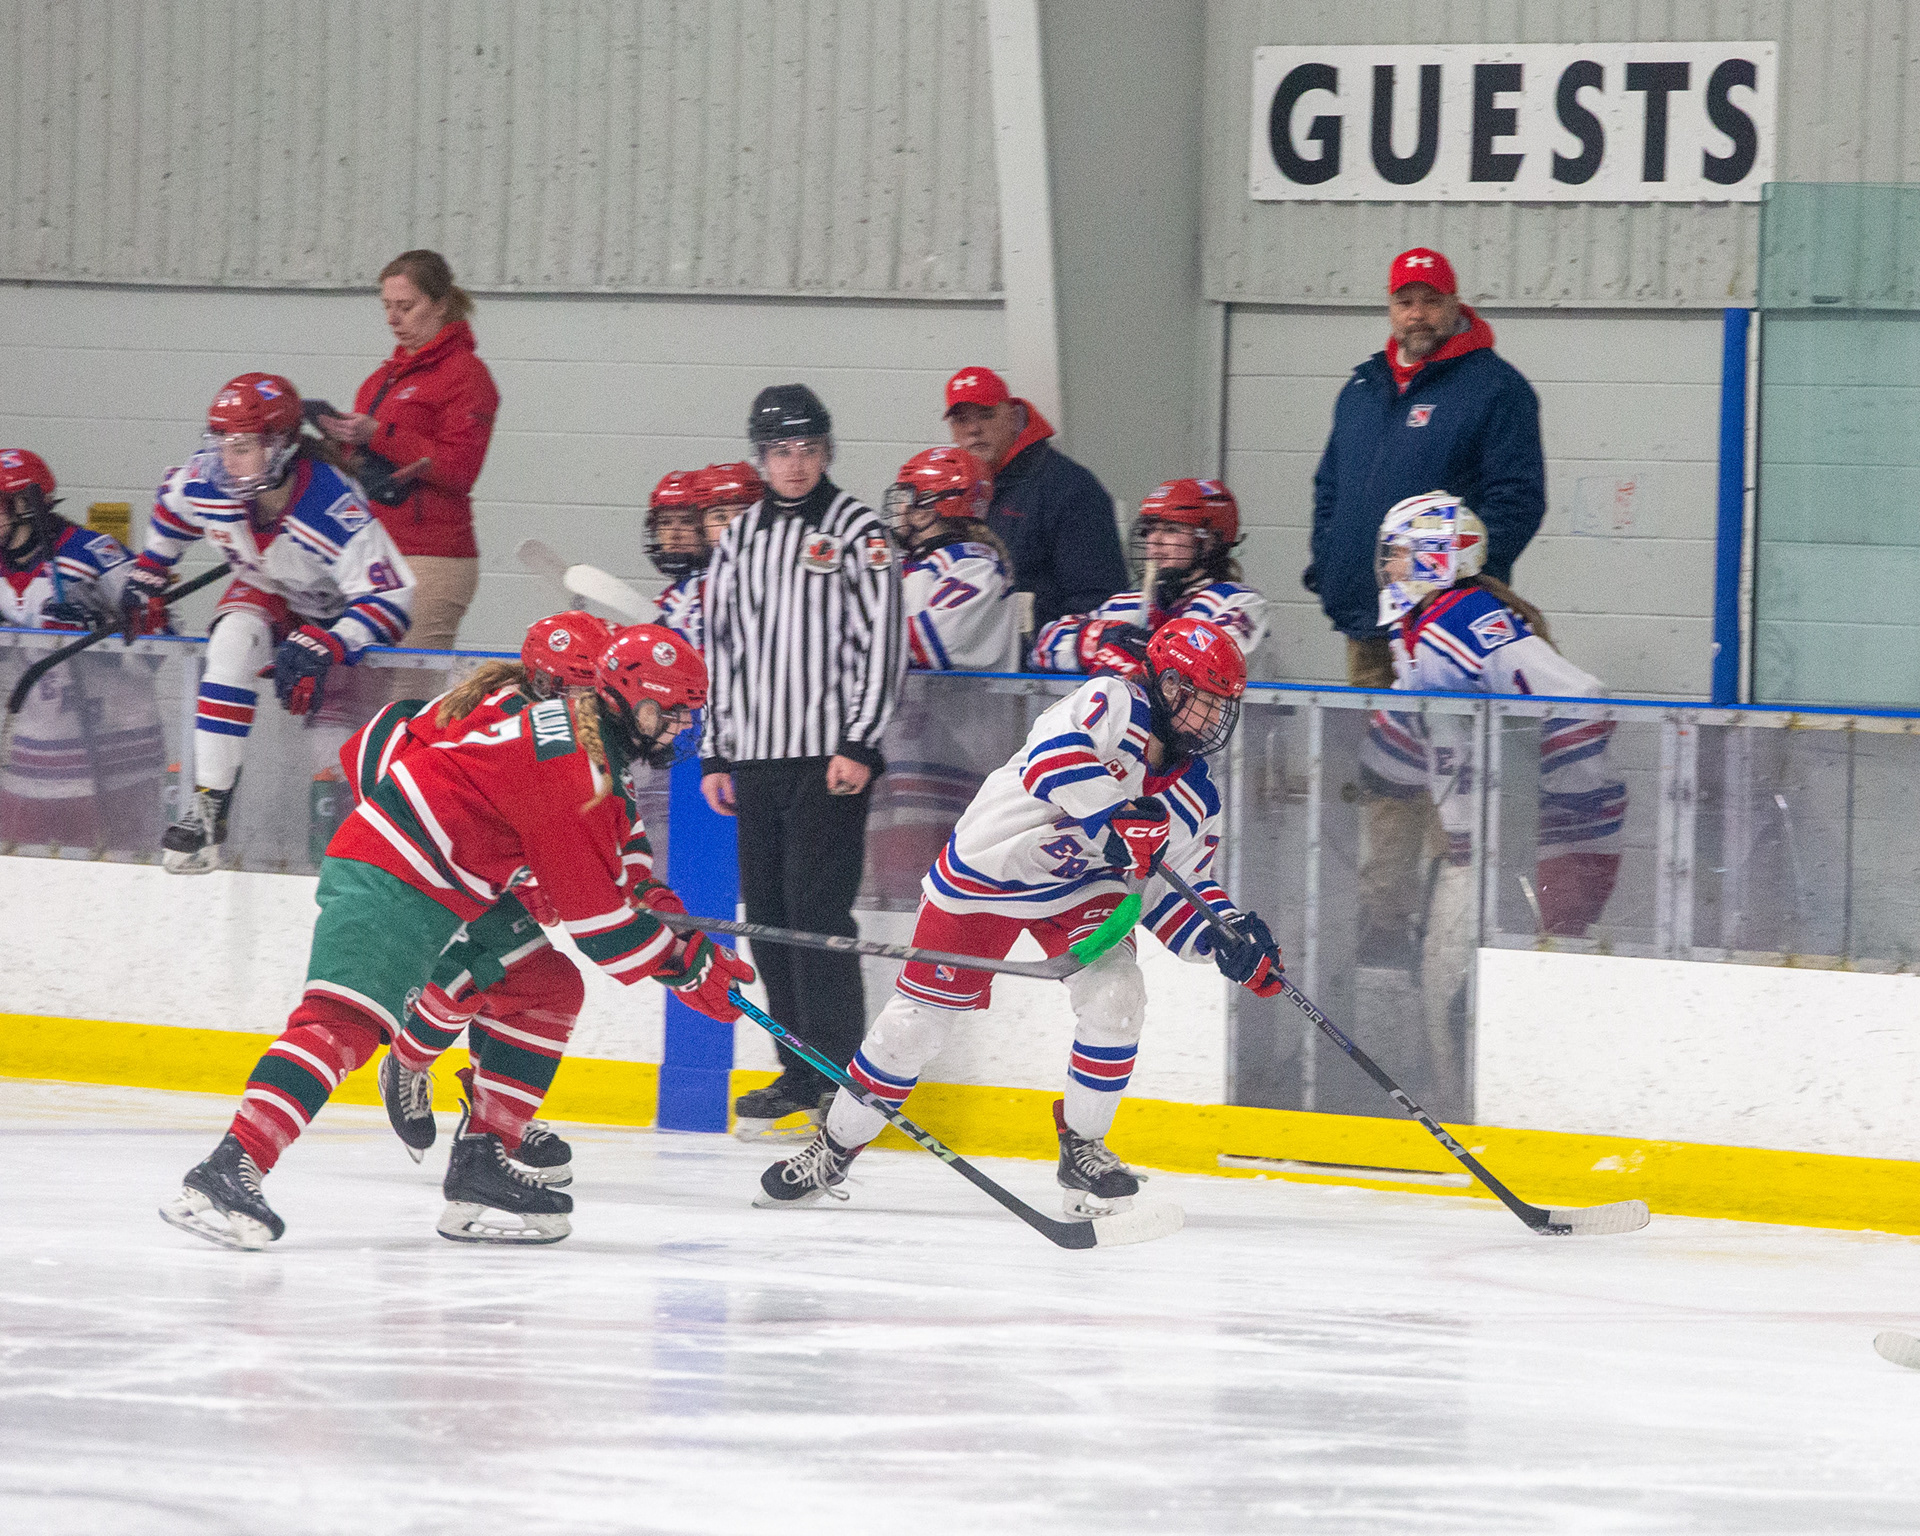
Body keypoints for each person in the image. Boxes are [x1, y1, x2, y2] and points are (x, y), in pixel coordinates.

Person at [158, 624, 754, 1250]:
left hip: (449, 884)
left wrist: (667, 925)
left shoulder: (590, 741)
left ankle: (481, 1164)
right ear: (631, 702)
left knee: (546, 988)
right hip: (393, 871)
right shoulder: (578, 764)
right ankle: (228, 1169)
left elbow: (614, 858)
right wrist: (686, 966)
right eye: (673, 712)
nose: (682, 726)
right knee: (343, 1024)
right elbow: (600, 925)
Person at [757, 617, 1284, 1212]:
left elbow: (1174, 891)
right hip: (990, 873)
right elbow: (1050, 761)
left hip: (1083, 890)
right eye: (1203, 702)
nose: (1212, 721)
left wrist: (1225, 937)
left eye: (1221, 708)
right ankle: (833, 1148)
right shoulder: (1111, 702)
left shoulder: (1196, 798)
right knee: (912, 1030)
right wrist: (1113, 813)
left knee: (1117, 996)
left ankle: (1083, 1148)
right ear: (1166, 685)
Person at [1307, 247, 1546, 956]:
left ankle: (1453, 935)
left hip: (1447, 630)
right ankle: (1383, 925)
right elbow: (1331, 487)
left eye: (1430, 301)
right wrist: (1332, 561)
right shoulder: (1362, 386)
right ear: (1391, 307)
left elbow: (1516, 500)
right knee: (1385, 781)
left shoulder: (1496, 390)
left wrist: (1458, 582)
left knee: (1452, 781)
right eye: (1404, 301)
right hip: (1369, 624)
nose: (1416, 314)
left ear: (1454, 304)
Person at [1374, 492, 1624, 1111]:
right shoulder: (1429, 625)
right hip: (1492, 852)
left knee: (1484, 994)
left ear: (1436, 557)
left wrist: (1540, 811)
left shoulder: (1458, 620)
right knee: (1446, 981)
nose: (1388, 567)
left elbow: (1584, 702)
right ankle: (1464, 1109)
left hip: (1536, 855)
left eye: (1399, 553)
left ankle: (1480, 1117)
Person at [699, 384, 905, 1136]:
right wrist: (714, 749)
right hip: (754, 758)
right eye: (782, 451)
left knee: (817, 915)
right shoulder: (740, 538)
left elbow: (882, 642)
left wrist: (861, 741)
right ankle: (795, 1070)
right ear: (761, 457)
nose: (795, 464)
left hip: (828, 761)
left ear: (827, 452)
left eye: (809, 449)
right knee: (769, 919)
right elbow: (721, 648)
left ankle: (838, 1074)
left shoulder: (859, 531)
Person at [359, 609, 617, 1188]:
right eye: (579, 690)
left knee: (529, 979)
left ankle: (495, 1113)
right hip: (411, 846)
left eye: (597, 691)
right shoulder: (517, 724)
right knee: (482, 966)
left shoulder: (555, 724)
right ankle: (407, 1060)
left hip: (464, 850)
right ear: (545, 683)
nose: (592, 705)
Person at [122, 373, 416, 874]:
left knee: (332, 753)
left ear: (280, 446)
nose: (224, 459)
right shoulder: (209, 480)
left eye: (240, 446)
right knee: (231, 643)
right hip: (268, 589)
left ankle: (364, 854)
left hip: (335, 616)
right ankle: (210, 805)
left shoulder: (329, 506)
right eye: (220, 443)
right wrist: (151, 567)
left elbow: (392, 597)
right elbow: (172, 502)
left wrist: (331, 642)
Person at [317, 250, 499, 651]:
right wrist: (333, 446)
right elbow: (366, 467)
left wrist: (378, 433)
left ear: (441, 304)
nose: (392, 319)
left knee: (408, 681)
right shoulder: (380, 380)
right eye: (387, 306)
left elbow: (458, 469)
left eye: (406, 306)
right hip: (374, 552)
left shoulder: (467, 376)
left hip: (431, 557)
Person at [0, 449, 163, 850]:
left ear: (24, 505)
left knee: (121, 872)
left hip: (114, 758)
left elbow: (160, 645)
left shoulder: (95, 555)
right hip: (29, 760)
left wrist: (95, 635)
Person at [943, 366, 1128, 637]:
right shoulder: (951, 493)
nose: (973, 429)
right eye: (961, 420)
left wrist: (1044, 646)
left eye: (986, 414)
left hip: (1045, 657)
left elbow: (1098, 599)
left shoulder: (1069, 487)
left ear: (1012, 415)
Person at [1030, 478, 1267, 676]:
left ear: (1210, 541)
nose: (1154, 541)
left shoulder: (1240, 603)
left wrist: (1130, 652)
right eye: (1150, 529)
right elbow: (1044, 647)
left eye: (1171, 530)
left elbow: (1207, 667)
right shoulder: (1131, 603)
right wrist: (1101, 640)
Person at [884, 445, 1018, 671]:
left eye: (908, 496)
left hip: (974, 695)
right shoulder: (915, 561)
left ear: (928, 509)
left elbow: (926, 641)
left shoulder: (977, 567)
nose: (901, 508)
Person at [650, 462, 765, 654]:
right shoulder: (681, 596)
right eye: (719, 517)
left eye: (742, 514)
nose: (732, 526)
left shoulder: (776, 575)